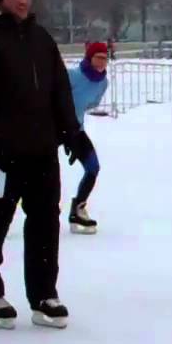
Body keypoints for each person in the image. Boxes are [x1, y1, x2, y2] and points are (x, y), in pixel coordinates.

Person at [0, 0, 91, 330]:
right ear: (0, 0)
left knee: (45, 222)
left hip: (41, 150)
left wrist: (72, 133)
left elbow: (59, 91)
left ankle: (44, 294)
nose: (23, 0)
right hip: (0, 153)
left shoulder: (40, 39)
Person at [66, 41, 110, 234]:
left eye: (105, 58)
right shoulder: (73, 76)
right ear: (89, 58)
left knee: (93, 167)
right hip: (54, 128)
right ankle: (6, 208)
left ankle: (78, 209)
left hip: (77, 129)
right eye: (98, 57)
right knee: (33, 170)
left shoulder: (103, 82)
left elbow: (92, 103)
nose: (101, 62)